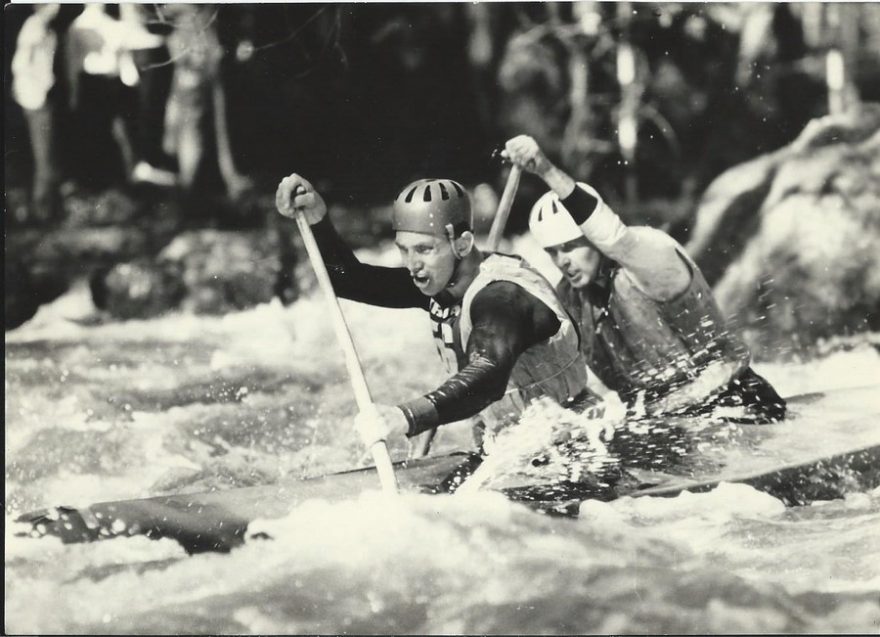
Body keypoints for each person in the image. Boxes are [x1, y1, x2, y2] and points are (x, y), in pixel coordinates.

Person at [275, 173, 598, 454]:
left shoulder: (502, 296)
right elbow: (346, 280)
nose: (412, 265)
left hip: (576, 450)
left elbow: (488, 376)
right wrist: (317, 218)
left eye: (425, 250)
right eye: (404, 250)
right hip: (512, 449)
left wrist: (409, 415)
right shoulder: (439, 281)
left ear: (463, 243)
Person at [503, 135, 786, 424]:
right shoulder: (571, 300)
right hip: (661, 425)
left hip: (734, 402)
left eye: (571, 246)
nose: (563, 261)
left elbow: (614, 238)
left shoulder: (650, 258)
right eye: (553, 252)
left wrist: (546, 170)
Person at [11, 3, 62, 223]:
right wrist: (37, 88)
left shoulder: (44, 27)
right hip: (35, 98)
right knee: (44, 156)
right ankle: (42, 212)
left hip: (38, 96)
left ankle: (45, 209)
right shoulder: (34, 26)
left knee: (46, 155)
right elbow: (20, 63)